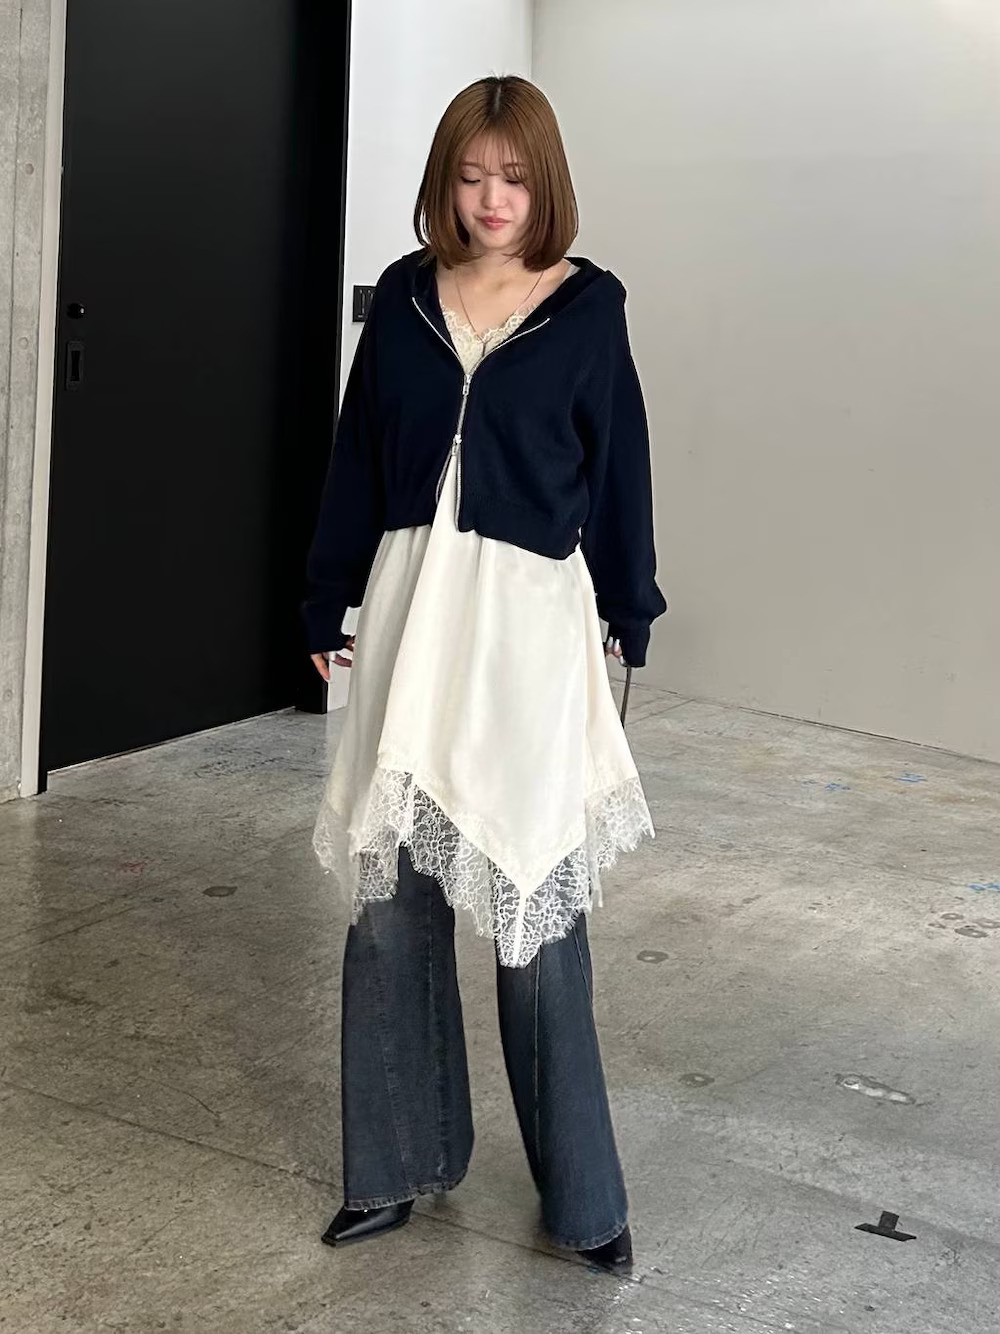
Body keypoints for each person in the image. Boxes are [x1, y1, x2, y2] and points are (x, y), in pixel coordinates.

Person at [301, 74, 667, 1276]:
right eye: (469, 177)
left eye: (512, 177)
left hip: (524, 627)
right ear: (443, 183)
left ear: (542, 181)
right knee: (389, 905)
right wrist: (323, 592)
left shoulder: (588, 307)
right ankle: (394, 1165)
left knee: (535, 903)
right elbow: (357, 456)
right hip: (411, 615)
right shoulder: (405, 298)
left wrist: (630, 601)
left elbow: (619, 465)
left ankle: (585, 1198)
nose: (491, 199)